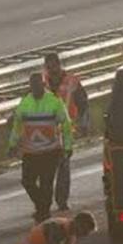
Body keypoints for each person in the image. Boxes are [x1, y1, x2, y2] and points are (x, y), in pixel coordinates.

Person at [8, 72, 72, 223]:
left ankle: (43, 212)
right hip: (30, 151)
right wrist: (12, 145)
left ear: (44, 85)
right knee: (27, 181)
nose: (35, 88)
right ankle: (41, 206)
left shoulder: (54, 101)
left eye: (38, 85)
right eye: (33, 86)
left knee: (46, 182)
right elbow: (17, 126)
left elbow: (66, 124)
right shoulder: (25, 103)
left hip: (50, 150)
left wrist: (68, 146)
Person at [43, 51, 89, 212]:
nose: (51, 70)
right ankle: (45, 202)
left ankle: (61, 200)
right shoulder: (42, 83)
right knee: (47, 168)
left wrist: (83, 123)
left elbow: (83, 103)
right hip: (45, 132)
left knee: (63, 167)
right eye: (48, 67)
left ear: (58, 64)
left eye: (53, 66)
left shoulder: (71, 81)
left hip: (66, 131)